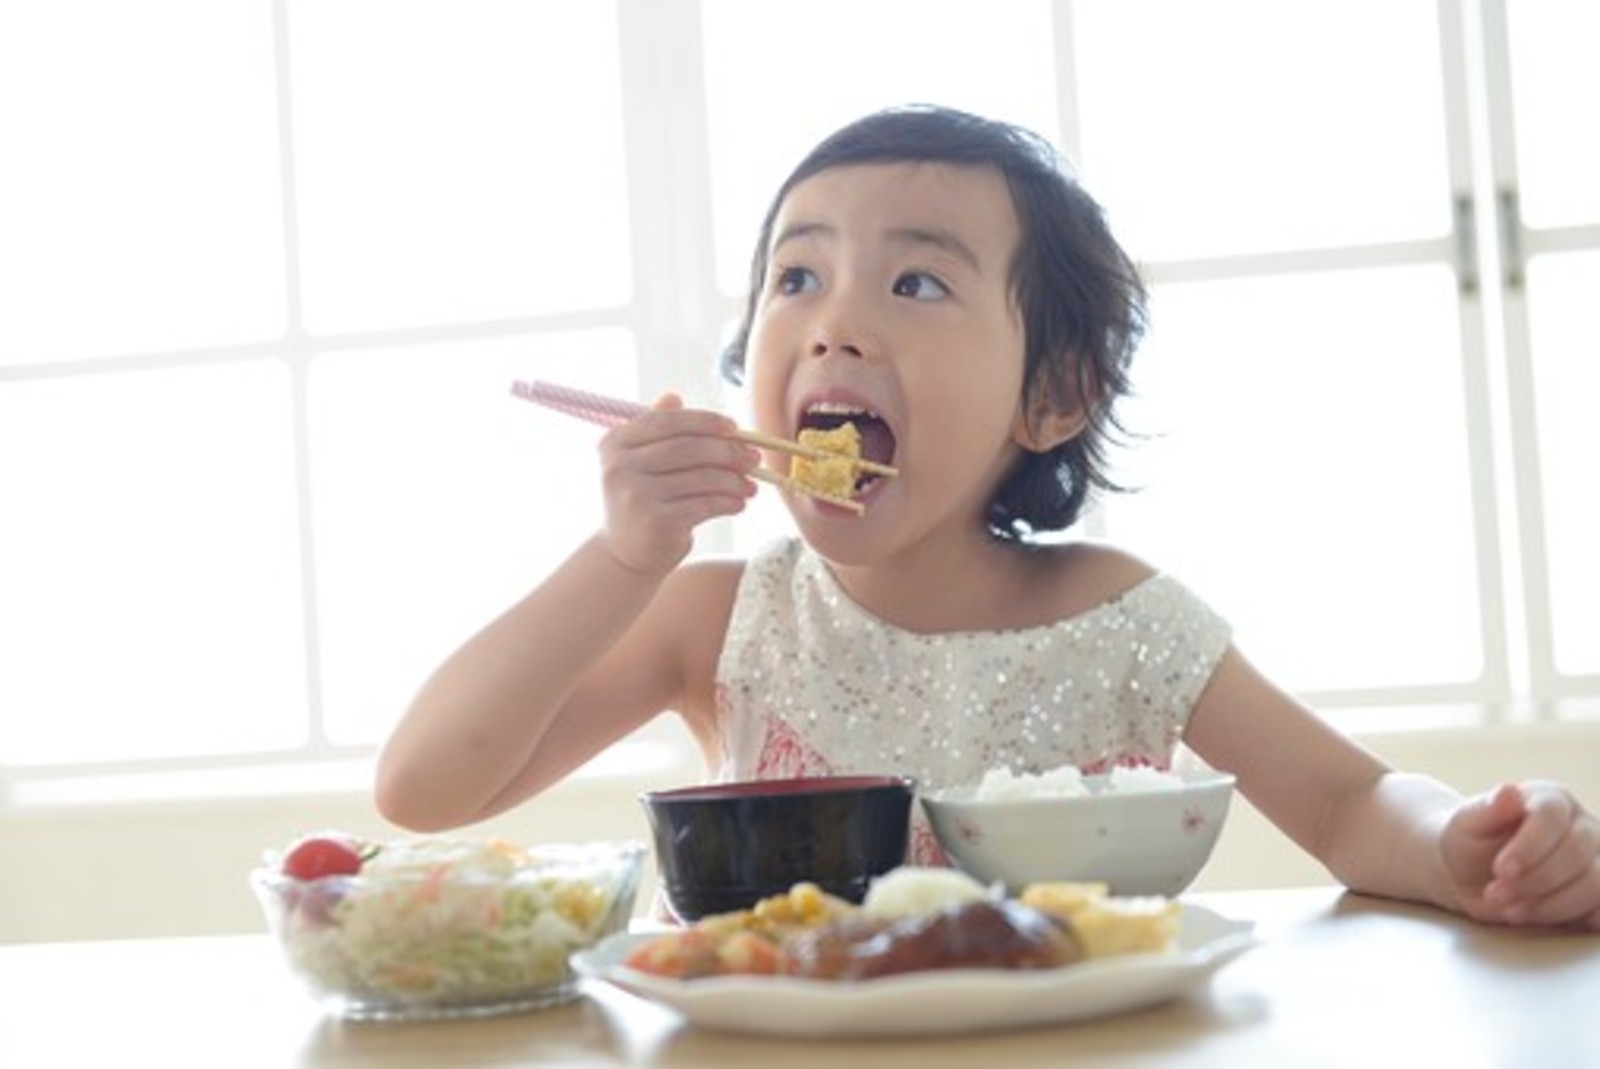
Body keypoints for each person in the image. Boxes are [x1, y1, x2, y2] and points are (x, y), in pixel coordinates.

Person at [376, 104, 1600, 930]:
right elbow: (425, 786)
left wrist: (1467, 840)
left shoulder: (1119, 615)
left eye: (915, 281)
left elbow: (1345, 804)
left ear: (1054, 394)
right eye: (796, 276)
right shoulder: (714, 618)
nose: (833, 322)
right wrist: (618, 558)